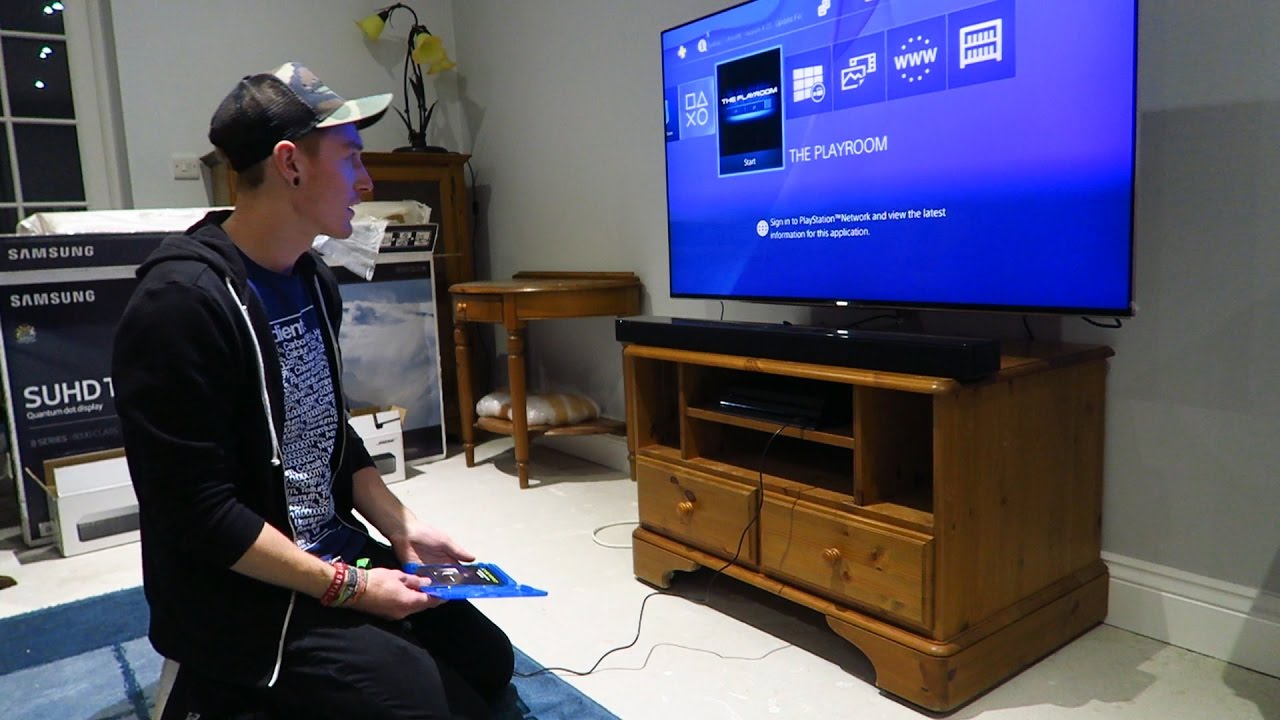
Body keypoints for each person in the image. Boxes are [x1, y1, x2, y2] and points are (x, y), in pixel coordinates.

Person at [112, 62, 513, 720]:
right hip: (242, 589)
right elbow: (197, 515)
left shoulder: (311, 278)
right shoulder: (178, 305)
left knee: (488, 663)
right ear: (290, 164)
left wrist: (403, 527)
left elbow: (326, 428)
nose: (367, 180)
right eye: (351, 157)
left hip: (328, 554)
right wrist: (353, 590)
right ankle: (204, 689)